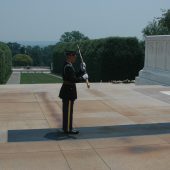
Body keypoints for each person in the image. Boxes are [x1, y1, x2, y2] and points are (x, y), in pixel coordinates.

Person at [59, 50, 88, 134]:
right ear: (70, 56)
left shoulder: (69, 65)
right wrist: (83, 78)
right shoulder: (68, 66)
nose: (75, 57)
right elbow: (73, 79)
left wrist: (82, 70)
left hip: (68, 91)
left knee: (68, 111)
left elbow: (74, 74)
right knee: (68, 112)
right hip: (68, 91)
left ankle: (67, 128)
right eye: (74, 56)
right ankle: (68, 129)